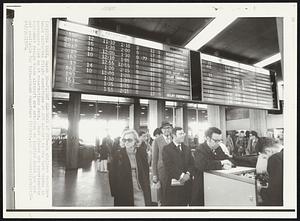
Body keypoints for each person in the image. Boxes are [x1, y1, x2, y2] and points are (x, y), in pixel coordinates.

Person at [191, 127, 234, 206]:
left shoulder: (218, 148)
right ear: (208, 138)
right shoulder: (200, 149)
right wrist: (221, 163)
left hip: (215, 185)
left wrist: (230, 163)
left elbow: (226, 158)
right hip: (202, 187)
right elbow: (203, 165)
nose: (218, 143)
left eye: (220, 140)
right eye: (216, 141)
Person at [108, 129, 151, 206]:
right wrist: (115, 193)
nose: (126, 142)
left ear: (135, 141)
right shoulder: (118, 155)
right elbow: (112, 175)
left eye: (129, 140)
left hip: (140, 189)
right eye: (124, 140)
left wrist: (147, 187)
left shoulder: (141, 152)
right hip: (124, 191)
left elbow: (146, 172)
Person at [162, 127, 194, 206]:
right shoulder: (166, 149)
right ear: (174, 135)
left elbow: (192, 164)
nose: (183, 135)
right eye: (180, 134)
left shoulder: (187, 148)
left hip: (186, 185)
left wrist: (188, 174)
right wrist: (182, 176)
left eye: (183, 133)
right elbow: (169, 166)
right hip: (173, 186)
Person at [256, 137, 283, 206]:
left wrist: (260, 190)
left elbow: (274, 196)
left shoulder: (275, 158)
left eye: (264, 157)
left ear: (268, 151)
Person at [151, 121, 173, 206]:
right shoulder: (157, 140)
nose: (167, 130)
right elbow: (154, 159)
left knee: (172, 192)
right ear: (161, 130)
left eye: (169, 128)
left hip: (173, 169)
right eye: (165, 128)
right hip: (162, 170)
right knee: (163, 194)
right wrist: (154, 174)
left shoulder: (173, 138)